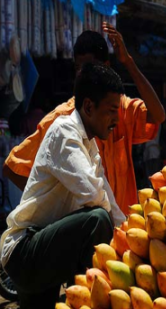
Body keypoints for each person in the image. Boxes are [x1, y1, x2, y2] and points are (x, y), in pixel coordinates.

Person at [2, 22, 165, 215]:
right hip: (85, 239)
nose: (82, 75)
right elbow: (14, 167)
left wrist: (128, 61)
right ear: (87, 108)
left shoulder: (120, 110)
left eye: (88, 68)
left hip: (121, 233)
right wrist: (51, 211)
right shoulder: (61, 120)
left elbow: (158, 116)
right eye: (78, 68)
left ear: (106, 68)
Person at [0, 63, 126, 309]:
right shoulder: (64, 133)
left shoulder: (89, 145)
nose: (116, 119)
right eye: (112, 110)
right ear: (88, 107)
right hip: (24, 252)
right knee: (97, 219)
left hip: (45, 249)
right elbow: (95, 195)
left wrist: (129, 234)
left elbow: (108, 198)